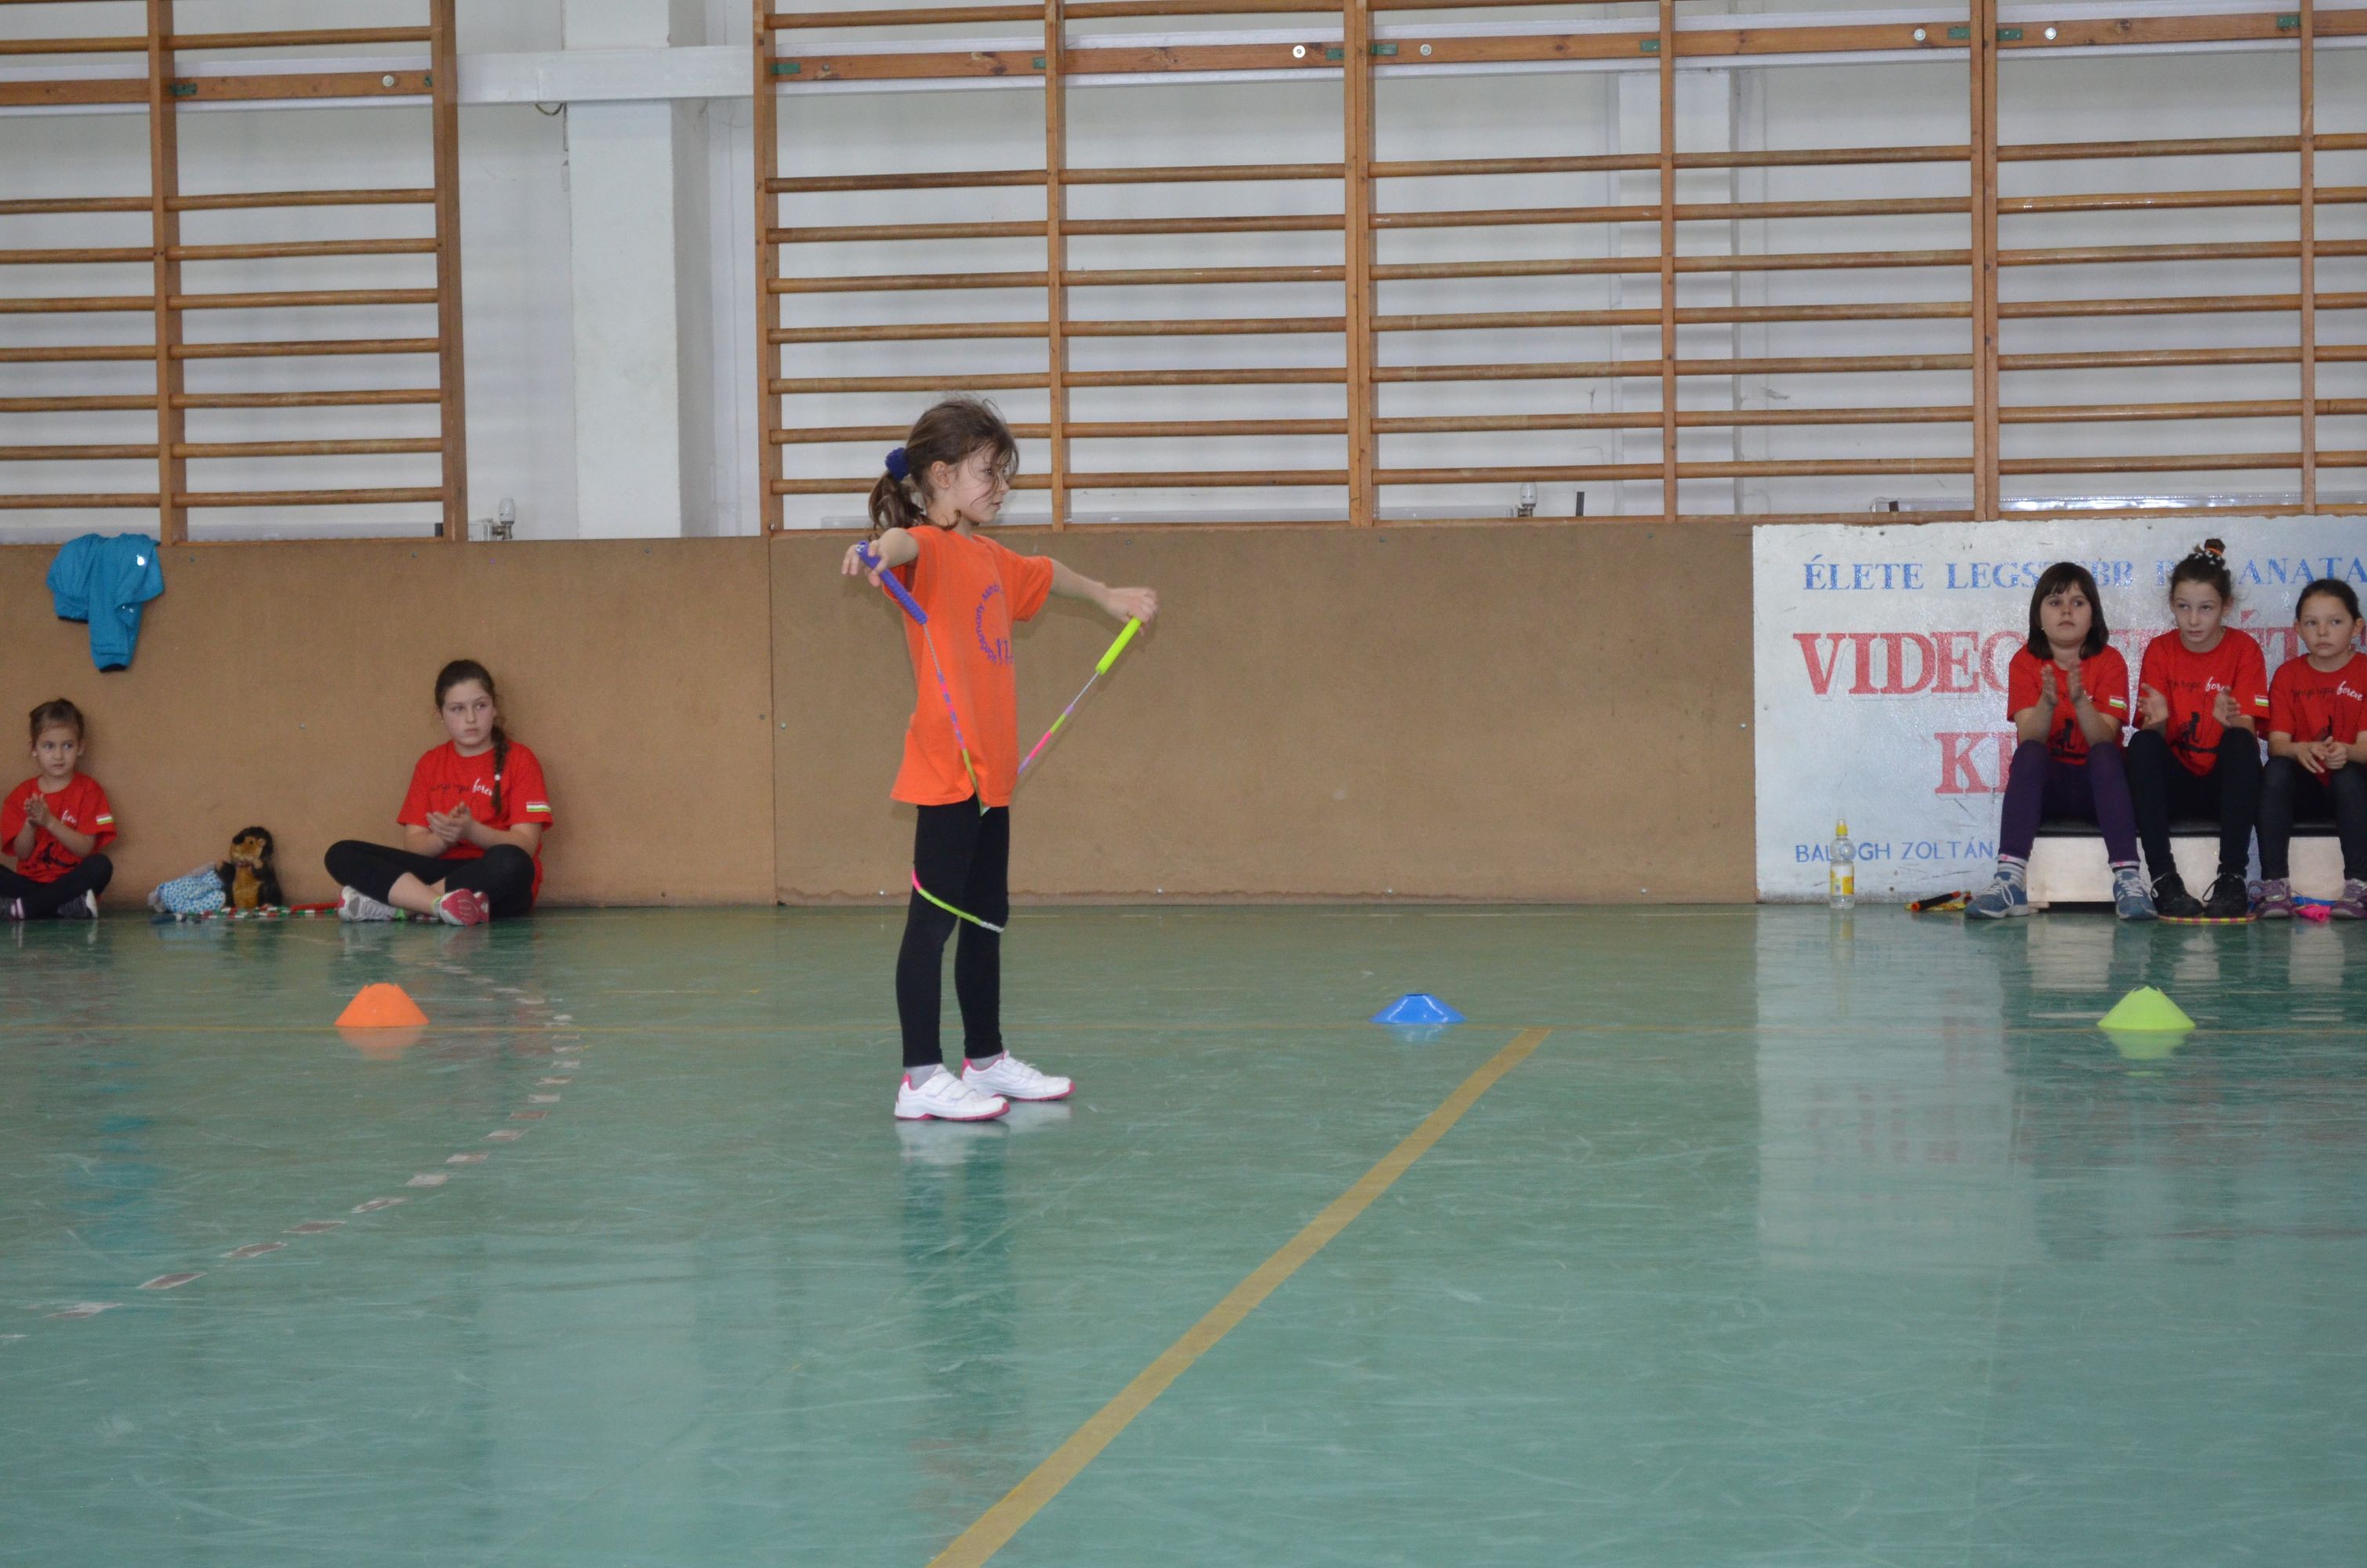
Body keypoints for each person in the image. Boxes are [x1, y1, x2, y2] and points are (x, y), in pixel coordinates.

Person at [844, 395, 1157, 1121]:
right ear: (941, 476)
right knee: (932, 924)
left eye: (1004, 474)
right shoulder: (927, 546)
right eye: (989, 473)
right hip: (946, 769)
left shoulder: (989, 557)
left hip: (993, 775)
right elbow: (899, 546)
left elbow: (1046, 572)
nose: (1002, 488)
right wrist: (872, 551)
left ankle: (984, 1059)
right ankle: (919, 1076)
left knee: (986, 920)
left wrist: (1106, 594)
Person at [1969, 563, 2152, 920]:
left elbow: (2105, 737)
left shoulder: (2110, 661)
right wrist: (2048, 704)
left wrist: (2080, 701)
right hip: (2049, 793)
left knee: (2106, 755)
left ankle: (2128, 879)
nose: (2067, 611)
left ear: (2093, 616)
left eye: (2078, 602)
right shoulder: (2026, 661)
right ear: (2038, 616)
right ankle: (2009, 880)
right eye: (2055, 602)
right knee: (2029, 755)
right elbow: (2029, 736)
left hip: (2098, 792)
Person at [325, 659, 552, 926]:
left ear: (494, 708)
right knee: (340, 853)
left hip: (495, 880)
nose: (470, 718)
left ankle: (406, 907)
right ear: (441, 714)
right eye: (457, 709)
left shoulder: (521, 760)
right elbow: (415, 846)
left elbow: (526, 845)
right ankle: (435, 905)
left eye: (480, 706)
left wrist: (471, 831)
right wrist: (445, 839)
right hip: (441, 872)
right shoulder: (430, 763)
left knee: (513, 862)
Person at [2126, 540, 2266, 918]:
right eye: (2183, 607)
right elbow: (2153, 741)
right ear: (2171, 604)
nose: (2193, 620)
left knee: (2240, 742)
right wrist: (2159, 722)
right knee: (2141, 744)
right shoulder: (2160, 650)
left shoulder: (2244, 648)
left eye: (2206, 608)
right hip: (2177, 787)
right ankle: (2163, 878)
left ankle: (2233, 877)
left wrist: (2230, 721)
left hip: (2223, 788)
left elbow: (2247, 730)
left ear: (2226, 607)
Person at [2256, 578, 2367, 919]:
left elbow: (2364, 748)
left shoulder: (2364, 671)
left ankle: (2359, 885)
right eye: (2311, 623)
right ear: (2297, 629)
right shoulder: (2288, 674)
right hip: (2306, 786)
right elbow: (2277, 744)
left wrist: (2345, 752)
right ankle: (2274, 885)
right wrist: (2300, 749)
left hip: (2352, 785)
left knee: (2348, 774)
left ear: (2356, 627)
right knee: (2276, 771)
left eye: (2335, 622)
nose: (2322, 632)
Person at [2, 698, 114, 920]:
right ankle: (63, 908)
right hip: (30, 884)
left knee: (101, 865)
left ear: (80, 748)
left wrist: (50, 822)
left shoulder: (89, 790)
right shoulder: (21, 795)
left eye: (68, 746)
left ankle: (27, 908)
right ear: (34, 749)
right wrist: (30, 824)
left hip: (72, 883)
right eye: (49, 746)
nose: (58, 755)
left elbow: (86, 849)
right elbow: (22, 854)